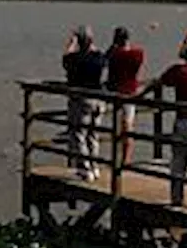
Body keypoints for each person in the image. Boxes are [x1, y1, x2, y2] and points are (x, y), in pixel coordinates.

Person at [135, 36, 187, 208]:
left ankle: (177, 198)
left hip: (183, 121)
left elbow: (158, 83)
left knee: (179, 163)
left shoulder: (178, 71)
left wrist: (139, 96)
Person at [61, 26, 107, 182]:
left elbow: (65, 57)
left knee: (78, 134)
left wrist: (72, 43)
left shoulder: (74, 59)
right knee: (93, 135)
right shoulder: (98, 58)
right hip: (98, 100)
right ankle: (95, 167)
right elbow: (100, 55)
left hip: (81, 101)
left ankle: (85, 169)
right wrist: (89, 42)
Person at [105, 26, 146, 166]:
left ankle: (116, 159)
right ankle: (126, 159)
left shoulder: (114, 54)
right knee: (128, 126)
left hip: (114, 92)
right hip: (130, 93)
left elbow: (105, 60)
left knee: (116, 127)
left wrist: (113, 46)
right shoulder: (137, 54)